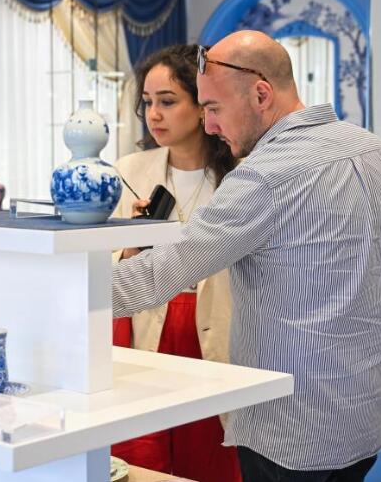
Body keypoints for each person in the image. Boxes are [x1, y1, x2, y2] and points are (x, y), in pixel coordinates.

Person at [112, 30, 381, 482]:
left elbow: (165, 270)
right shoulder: (379, 153)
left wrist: (59, 297)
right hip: (365, 419)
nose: (210, 126)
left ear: (261, 94)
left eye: (214, 108)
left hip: (287, 430)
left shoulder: (265, 176)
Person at [111, 44, 240, 482]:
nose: (154, 114)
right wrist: (130, 245)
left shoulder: (242, 175)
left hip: (215, 323)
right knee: (142, 452)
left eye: (167, 101)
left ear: (203, 106)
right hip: (146, 320)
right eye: (147, 102)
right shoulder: (129, 169)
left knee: (208, 449)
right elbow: (106, 261)